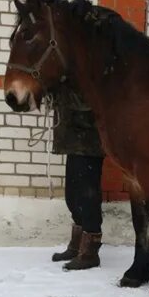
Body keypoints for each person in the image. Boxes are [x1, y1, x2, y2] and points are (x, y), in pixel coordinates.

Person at [50, 81, 105, 270]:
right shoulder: (70, 71)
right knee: (72, 197)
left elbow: (93, 102)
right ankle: (77, 245)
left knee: (88, 195)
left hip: (89, 141)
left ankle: (90, 251)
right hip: (73, 140)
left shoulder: (89, 68)